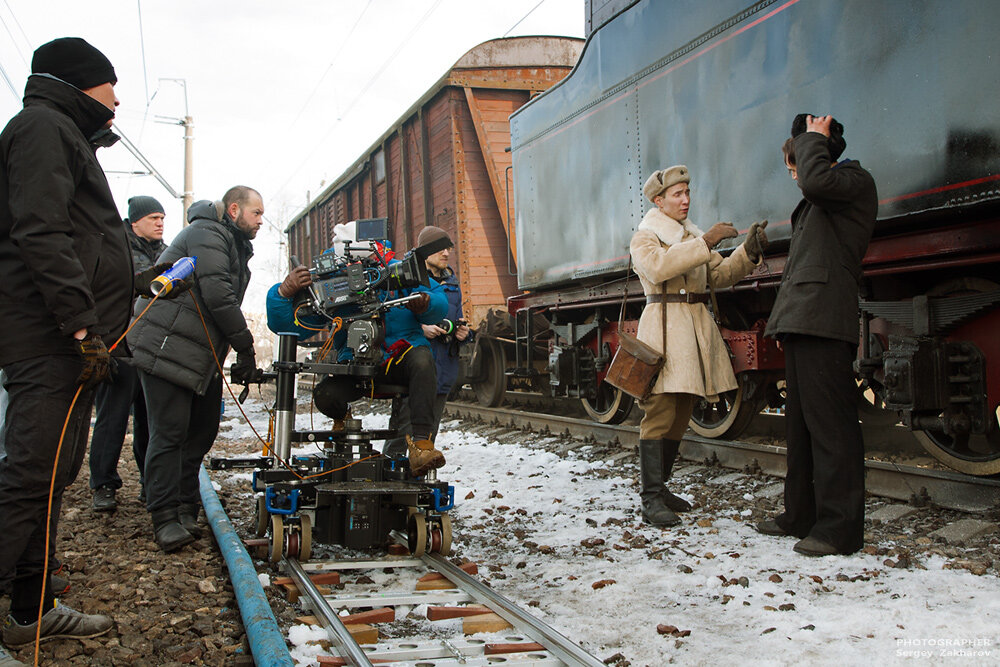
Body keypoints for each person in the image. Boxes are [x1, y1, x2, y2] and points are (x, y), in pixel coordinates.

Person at [0, 37, 131, 653]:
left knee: (51, 478)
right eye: (109, 85)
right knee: (28, 477)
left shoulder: (63, 132)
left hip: (70, 341)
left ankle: (33, 608)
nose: (117, 98)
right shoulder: (42, 128)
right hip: (49, 338)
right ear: (81, 83)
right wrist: (80, 326)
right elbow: (40, 230)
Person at [757, 114, 877, 556]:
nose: (796, 177)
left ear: (819, 153)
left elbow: (814, 183)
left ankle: (839, 529)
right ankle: (800, 515)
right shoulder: (827, 193)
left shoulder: (852, 182)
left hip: (824, 319)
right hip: (805, 318)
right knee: (802, 426)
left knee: (831, 427)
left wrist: (812, 139)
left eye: (797, 166)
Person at [630, 165, 767, 527]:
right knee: (659, 411)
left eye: (687, 192)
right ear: (659, 201)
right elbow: (658, 268)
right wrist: (704, 243)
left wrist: (747, 253)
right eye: (678, 194)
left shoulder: (690, 236)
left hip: (690, 331)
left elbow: (718, 276)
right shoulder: (645, 237)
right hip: (661, 330)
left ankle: (661, 490)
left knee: (679, 413)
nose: (686, 199)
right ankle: (650, 497)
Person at [128, 188, 263, 552]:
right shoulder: (207, 232)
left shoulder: (232, 242)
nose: (261, 220)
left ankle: (186, 506)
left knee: (201, 432)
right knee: (169, 433)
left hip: (197, 351)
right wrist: (245, 344)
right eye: (256, 212)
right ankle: (165, 517)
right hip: (166, 346)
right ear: (234, 209)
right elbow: (217, 293)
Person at [266, 221, 449, 476]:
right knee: (326, 394)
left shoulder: (393, 272)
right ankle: (342, 424)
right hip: (354, 367)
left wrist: (426, 304)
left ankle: (421, 445)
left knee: (422, 360)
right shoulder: (334, 284)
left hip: (396, 360)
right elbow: (292, 326)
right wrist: (283, 293)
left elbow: (439, 300)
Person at [89, 196, 167, 511]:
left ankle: (151, 485)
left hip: (150, 351)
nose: (160, 223)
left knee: (150, 423)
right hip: (119, 348)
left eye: (162, 217)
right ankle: (103, 485)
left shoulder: (166, 252)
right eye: (153, 217)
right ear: (134, 221)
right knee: (112, 420)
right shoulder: (115, 249)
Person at [384, 226, 470, 457]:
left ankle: (418, 485)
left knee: (427, 440)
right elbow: (392, 319)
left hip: (442, 371)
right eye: (440, 248)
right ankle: (392, 482)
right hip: (414, 371)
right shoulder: (405, 279)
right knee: (401, 439)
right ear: (425, 252)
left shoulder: (451, 284)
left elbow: (455, 320)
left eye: (448, 248)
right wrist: (421, 328)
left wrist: (463, 333)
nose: (446, 253)